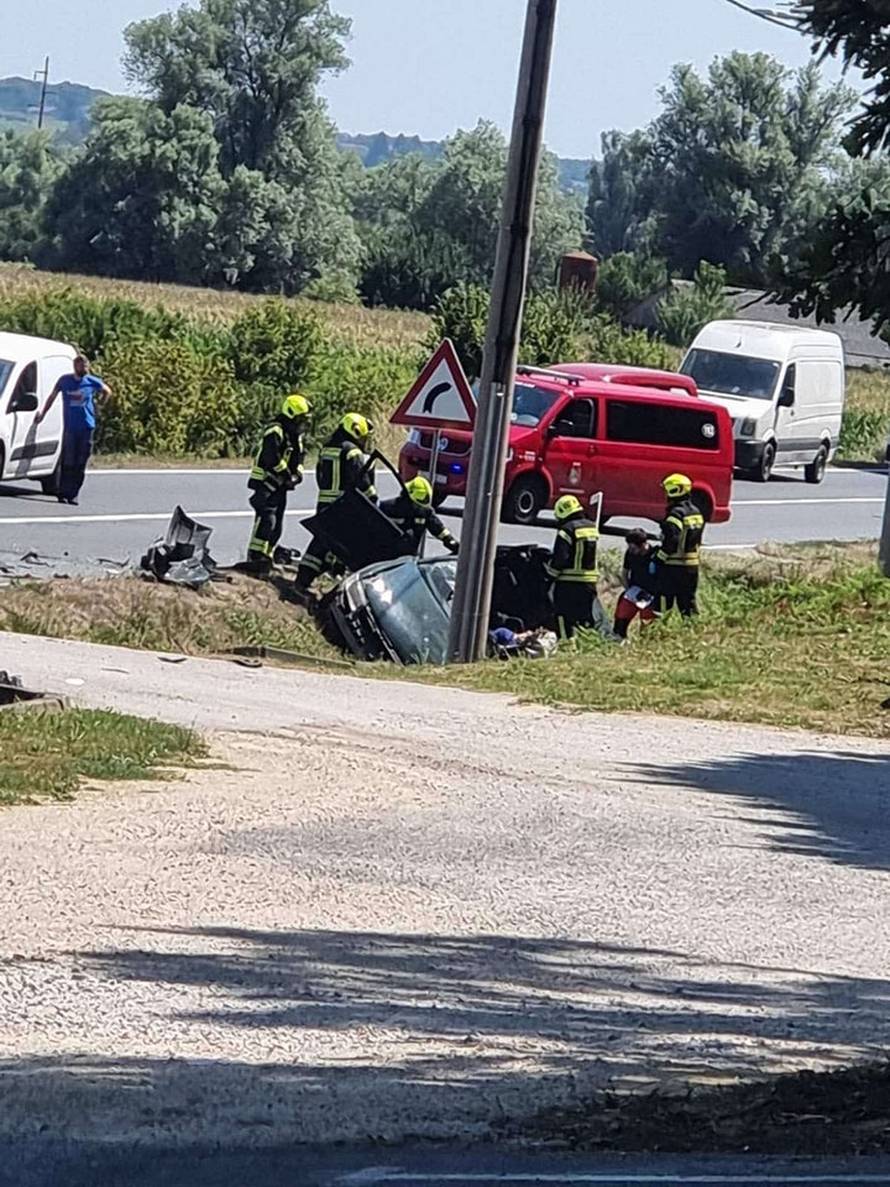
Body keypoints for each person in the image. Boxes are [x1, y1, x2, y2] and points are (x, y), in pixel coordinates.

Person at [294, 412, 377, 595]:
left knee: (322, 541)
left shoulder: (327, 448)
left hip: (324, 502)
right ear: (356, 432)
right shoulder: (352, 452)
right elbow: (360, 479)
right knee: (343, 543)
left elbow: (320, 475)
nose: (364, 440)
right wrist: (372, 498)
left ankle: (304, 578)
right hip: (343, 506)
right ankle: (331, 578)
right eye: (363, 437)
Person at [246, 393, 310, 574]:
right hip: (265, 483)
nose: (302, 424)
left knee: (277, 524)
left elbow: (299, 457)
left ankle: (267, 555)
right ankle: (255, 556)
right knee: (267, 520)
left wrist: (298, 474)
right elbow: (271, 457)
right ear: (291, 415)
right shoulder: (275, 430)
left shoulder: (295, 435)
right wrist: (286, 474)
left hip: (281, 485)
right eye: (300, 419)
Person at [35, 355, 111, 505]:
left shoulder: (91, 381)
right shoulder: (65, 381)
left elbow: (107, 391)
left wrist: (100, 406)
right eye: (82, 365)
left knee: (80, 462)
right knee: (68, 461)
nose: (85, 368)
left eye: (86, 365)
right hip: (71, 427)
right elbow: (52, 396)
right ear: (75, 366)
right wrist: (43, 413)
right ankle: (63, 492)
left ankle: (73, 494)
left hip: (87, 426)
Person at [545, 494, 609, 640]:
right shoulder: (591, 527)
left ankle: (566, 643)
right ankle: (587, 642)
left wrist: (549, 576)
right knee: (585, 616)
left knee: (563, 615)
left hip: (568, 583)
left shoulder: (566, 530)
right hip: (589, 583)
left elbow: (560, 558)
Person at [655, 473, 705, 617]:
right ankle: (692, 627)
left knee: (664, 602)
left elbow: (672, 540)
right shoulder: (696, 512)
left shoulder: (676, 514)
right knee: (688, 603)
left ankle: (662, 627)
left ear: (674, 490)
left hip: (674, 566)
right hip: (692, 566)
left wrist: (659, 558)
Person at [380, 476, 459, 557]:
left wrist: (452, 543)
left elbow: (439, 530)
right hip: (384, 557)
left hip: (409, 558)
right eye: (417, 503)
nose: (419, 507)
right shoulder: (387, 508)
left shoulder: (425, 512)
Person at [613, 528, 657, 639]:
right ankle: (619, 638)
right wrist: (629, 590)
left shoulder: (655, 554)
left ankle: (645, 642)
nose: (630, 550)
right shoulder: (630, 553)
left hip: (651, 595)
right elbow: (624, 573)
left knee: (648, 626)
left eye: (633, 547)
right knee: (621, 615)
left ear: (642, 545)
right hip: (634, 591)